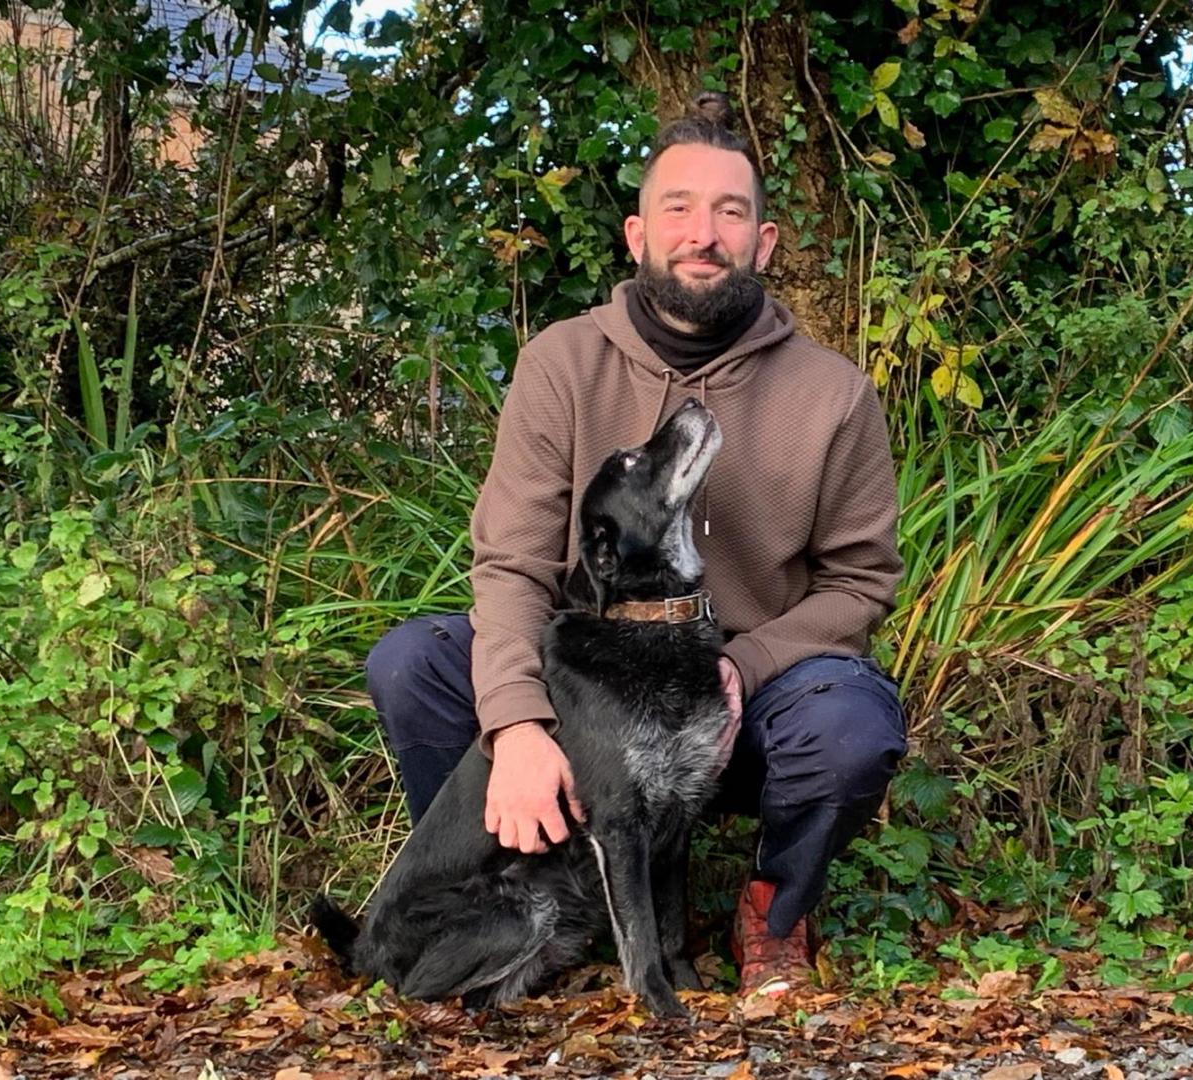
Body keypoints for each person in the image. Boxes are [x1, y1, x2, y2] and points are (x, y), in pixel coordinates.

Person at [365, 92, 906, 997]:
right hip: (596, 685)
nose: (704, 234)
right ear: (637, 234)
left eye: (730, 213)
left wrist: (748, 663)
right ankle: (505, 886)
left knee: (848, 727)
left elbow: (860, 583)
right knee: (413, 663)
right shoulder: (561, 364)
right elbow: (513, 564)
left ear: (764, 243)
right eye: (678, 209)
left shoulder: (832, 394)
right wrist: (517, 725)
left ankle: (773, 911)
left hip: (745, 695)